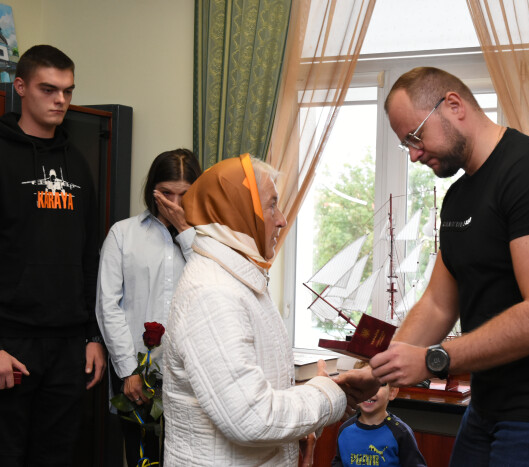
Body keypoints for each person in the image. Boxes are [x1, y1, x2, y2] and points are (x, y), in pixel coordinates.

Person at [370, 67, 529, 466]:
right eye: (405, 145)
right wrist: (387, 368)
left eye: (415, 136)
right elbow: (437, 303)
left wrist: (435, 359)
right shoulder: (458, 197)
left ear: (453, 105)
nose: (413, 154)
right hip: (488, 405)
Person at [162, 153, 379, 466]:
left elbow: (260, 392)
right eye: (272, 205)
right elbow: (251, 417)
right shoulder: (212, 292)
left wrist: (325, 396)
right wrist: (328, 395)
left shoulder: (239, 281)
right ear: (237, 210)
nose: (281, 219)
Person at [0, 45, 106, 466]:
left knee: (58, 457)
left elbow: (88, 256)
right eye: (49, 89)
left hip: (68, 347)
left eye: (67, 90)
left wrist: (92, 336)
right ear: (20, 86)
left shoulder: (78, 164)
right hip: (10, 342)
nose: (61, 100)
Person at [96, 148, 201, 466]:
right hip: (136, 376)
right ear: (152, 190)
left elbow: (214, 286)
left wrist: (185, 231)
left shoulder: (208, 240)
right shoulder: (123, 234)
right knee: (144, 460)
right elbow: (108, 306)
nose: (174, 203)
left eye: (184, 195)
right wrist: (128, 370)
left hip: (192, 377)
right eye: (166, 193)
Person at [332, 362, 426, 467]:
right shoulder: (345, 429)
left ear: (392, 392)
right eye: (365, 383)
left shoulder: (401, 432)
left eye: (379, 383)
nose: (370, 391)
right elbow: (339, 462)